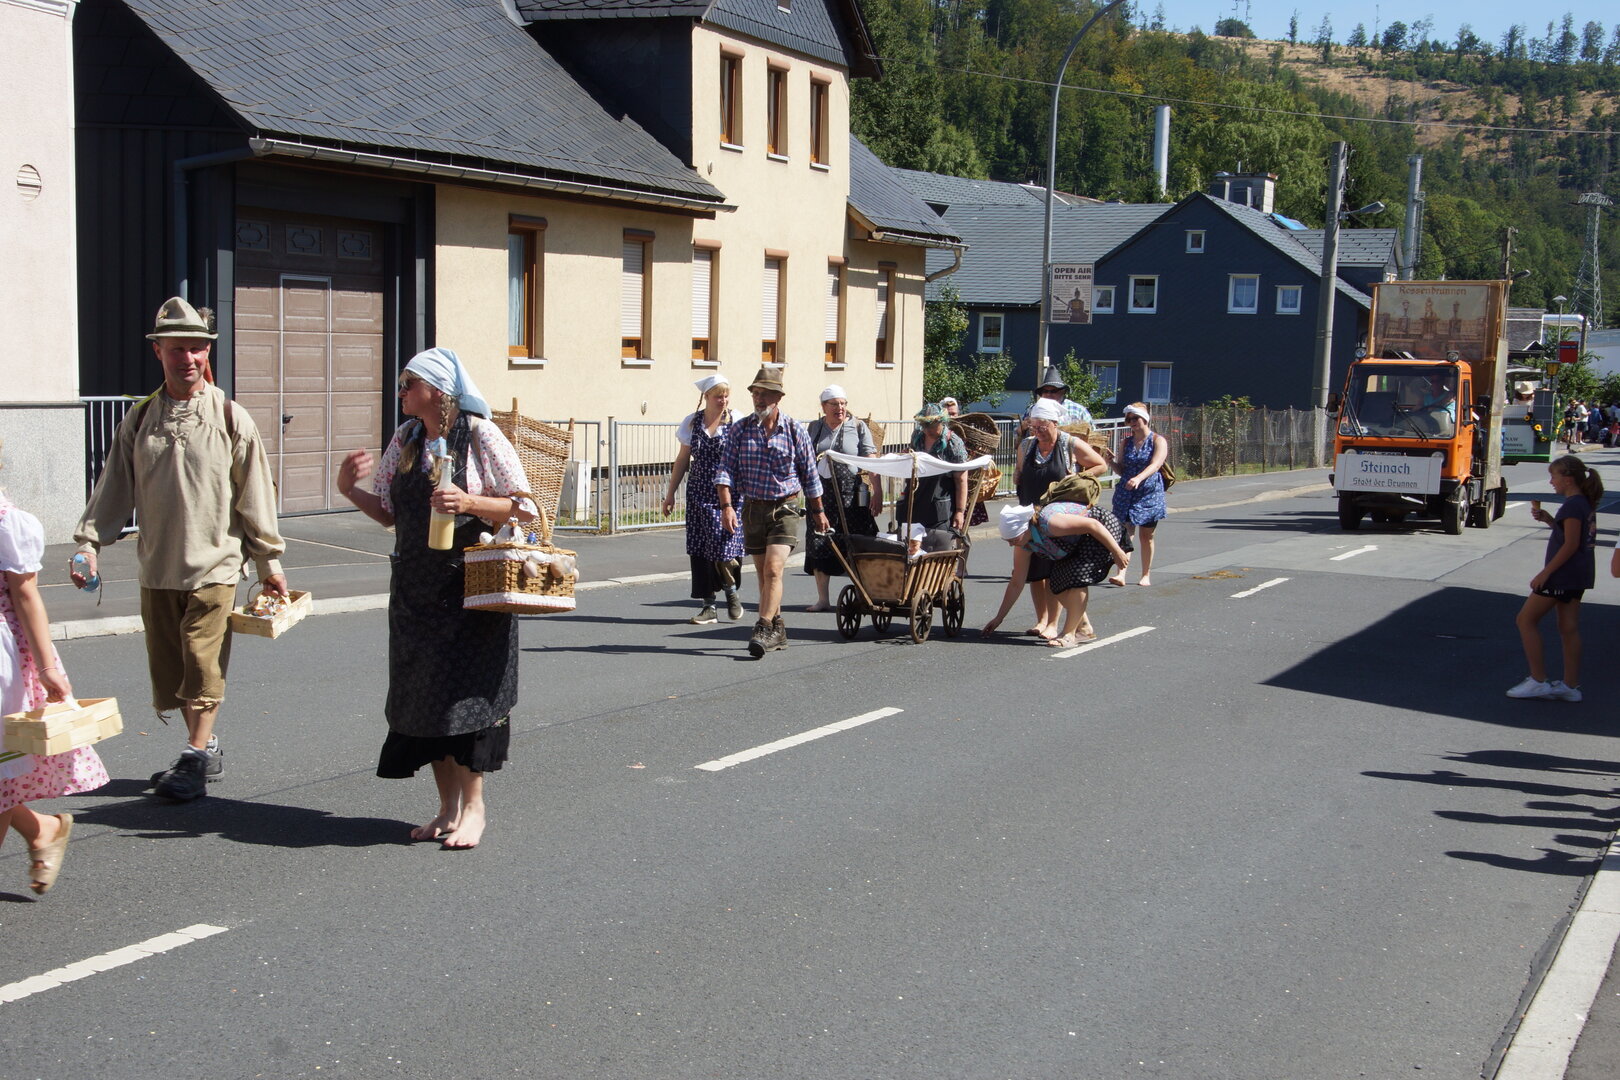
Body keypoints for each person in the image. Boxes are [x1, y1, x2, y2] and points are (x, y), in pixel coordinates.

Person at [71, 297, 287, 802]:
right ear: (158, 352)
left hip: (216, 565)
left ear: (206, 353)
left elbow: (256, 494)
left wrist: (269, 563)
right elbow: (113, 488)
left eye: (195, 349)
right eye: (176, 349)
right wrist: (88, 545)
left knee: (201, 661)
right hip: (158, 568)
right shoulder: (139, 419)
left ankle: (193, 758)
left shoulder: (231, 417)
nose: (187, 358)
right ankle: (204, 749)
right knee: (176, 672)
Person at [337, 347, 535, 848]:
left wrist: (468, 501)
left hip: (470, 591)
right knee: (427, 702)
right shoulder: (406, 438)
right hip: (415, 594)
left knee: (466, 701)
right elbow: (389, 513)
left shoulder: (480, 434)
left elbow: (526, 508)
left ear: (438, 391)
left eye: (409, 383)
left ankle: (475, 808)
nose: (401, 391)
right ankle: (447, 810)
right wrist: (348, 489)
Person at [1, 451, 109, 894]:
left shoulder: (7, 522)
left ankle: (41, 829)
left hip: (2, 658)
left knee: (0, 772)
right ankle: (42, 829)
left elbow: (26, 595)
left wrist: (47, 667)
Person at [714, 365, 827, 658]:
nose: (759, 399)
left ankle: (763, 627)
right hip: (752, 508)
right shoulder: (740, 429)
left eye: (765, 394)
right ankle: (778, 628)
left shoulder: (794, 430)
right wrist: (727, 506)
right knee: (764, 575)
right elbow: (725, 470)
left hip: (785, 508)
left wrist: (818, 512)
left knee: (774, 569)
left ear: (778, 398)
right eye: (756, 393)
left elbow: (810, 475)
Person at [1506, 455, 1602, 703]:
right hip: (1579, 574)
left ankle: (1538, 680)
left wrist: (1545, 573)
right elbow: (1573, 537)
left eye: (1554, 476)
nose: (1551, 482)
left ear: (1567, 479)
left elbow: (1570, 544)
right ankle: (1570, 685)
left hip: (1562, 575)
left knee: (1525, 620)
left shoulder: (1572, 505)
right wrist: (1550, 520)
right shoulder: (1583, 502)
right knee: (1568, 628)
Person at [981, 492, 1130, 648]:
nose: (1011, 544)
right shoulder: (1023, 544)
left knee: (1077, 578)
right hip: (1075, 542)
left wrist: (1116, 551)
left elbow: (1093, 525)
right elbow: (1016, 583)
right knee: (1058, 585)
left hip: (1101, 530)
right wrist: (999, 618)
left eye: (1013, 539)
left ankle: (1068, 635)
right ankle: (1084, 628)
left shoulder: (1050, 523)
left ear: (1025, 530)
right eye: (1008, 541)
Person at [1013, 398, 1108, 637]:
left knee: (1052, 570)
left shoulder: (1069, 443)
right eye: (1034, 426)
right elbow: (1020, 471)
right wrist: (1016, 475)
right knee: (1036, 572)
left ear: (1055, 423)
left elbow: (1100, 465)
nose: (1037, 431)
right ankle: (1042, 620)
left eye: (1042, 426)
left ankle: (1054, 624)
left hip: (1059, 516)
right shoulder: (1026, 445)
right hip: (1031, 512)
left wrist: (1076, 478)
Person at [662, 375, 745, 624]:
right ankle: (709, 606)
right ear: (706, 397)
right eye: (718, 396)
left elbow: (746, 457)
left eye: (726, 396)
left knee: (724, 546)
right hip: (699, 492)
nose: (723, 400)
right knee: (700, 549)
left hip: (729, 494)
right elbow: (682, 460)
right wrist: (670, 494)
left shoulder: (737, 420)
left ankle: (731, 591)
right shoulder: (692, 422)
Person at [802, 386, 881, 612]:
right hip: (820, 496)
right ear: (824, 406)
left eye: (843, 403)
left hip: (850, 496)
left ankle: (862, 594)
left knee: (856, 543)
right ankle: (823, 600)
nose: (840, 408)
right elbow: (805, 459)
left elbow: (871, 459)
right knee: (820, 543)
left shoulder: (858, 426)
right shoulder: (814, 427)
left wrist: (877, 491)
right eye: (834, 404)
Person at [1103, 402, 1170, 587]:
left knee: (1146, 536)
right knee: (1126, 533)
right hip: (1127, 493)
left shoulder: (1158, 440)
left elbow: (1156, 464)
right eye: (1129, 419)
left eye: (1135, 418)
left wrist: (1139, 478)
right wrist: (1110, 462)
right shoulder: (1126, 442)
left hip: (1149, 493)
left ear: (1145, 419)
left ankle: (1145, 574)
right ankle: (1121, 574)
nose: (1131, 422)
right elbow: (1122, 469)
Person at [897, 403, 969, 534]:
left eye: (931, 425)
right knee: (910, 541)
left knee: (937, 542)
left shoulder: (953, 443)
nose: (927, 430)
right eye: (924, 425)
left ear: (942, 422)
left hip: (939, 507)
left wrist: (960, 511)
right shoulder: (917, 436)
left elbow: (961, 480)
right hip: (915, 500)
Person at [1018, 364, 1092, 437]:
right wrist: (1023, 427)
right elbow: (1018, 435)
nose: (1049, 394)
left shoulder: (1078, 410)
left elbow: (1092, 435)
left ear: (1062, 392)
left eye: (1053, 391)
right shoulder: (1033, 409)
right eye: (1045, 391)